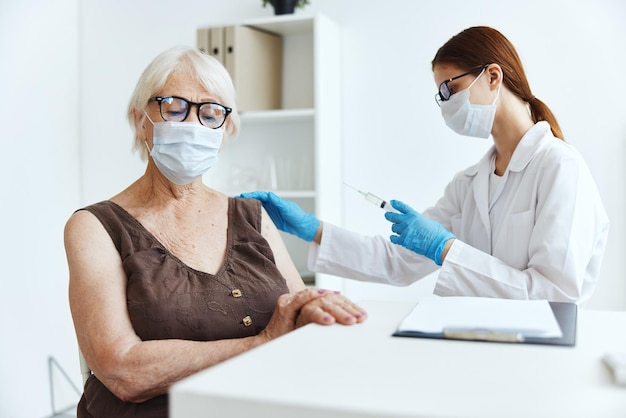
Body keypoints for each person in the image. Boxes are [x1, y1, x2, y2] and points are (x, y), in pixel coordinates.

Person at [64, 46, 367, 417]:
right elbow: (122, 370)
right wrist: (262, 342)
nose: (192, 125)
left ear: (226, 130)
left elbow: (296, 313)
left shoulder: (251, 215)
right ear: (141, 119)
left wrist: (319, 309)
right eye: (174, 107)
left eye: (211, 113)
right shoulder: (95, 226)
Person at [241, 26, 609, 305]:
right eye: (440, 95)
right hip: (475, 342)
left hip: (541, 357)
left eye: (449, 88)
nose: (445, 104)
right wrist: (313, 229)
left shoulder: (560, 167)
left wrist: (448, 250)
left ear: (493, 76)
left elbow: (556, 295)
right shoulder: (469, 183)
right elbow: (398, 262)